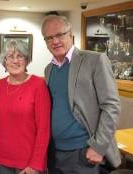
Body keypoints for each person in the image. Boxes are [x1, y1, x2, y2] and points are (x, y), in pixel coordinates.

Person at [41, 15, 121, 174]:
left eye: (59, 34)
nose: (54, 41)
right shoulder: (49, 69)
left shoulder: (95, 60)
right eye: (49, 37)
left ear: (70, 34)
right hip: (54, 153)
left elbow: (111, 106)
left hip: (83, 153)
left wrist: (98, 146)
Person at [0, 39, 51, 174]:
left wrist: (36, 164)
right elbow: (0, 125)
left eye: (20, 56)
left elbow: (44, 129)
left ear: (26, 60)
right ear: (4, 61)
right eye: (10, 57)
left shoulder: (38, 85)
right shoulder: (1, 85)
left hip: (28, 164)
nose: (15, 61)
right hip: (2, 161)